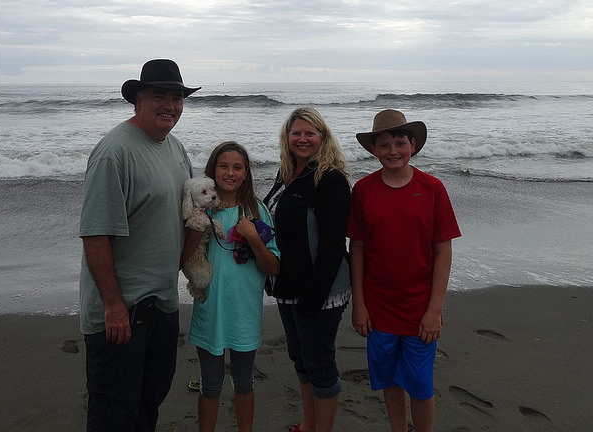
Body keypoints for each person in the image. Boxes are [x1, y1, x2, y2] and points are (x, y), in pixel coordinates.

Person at [78, 58, 200, 432]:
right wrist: (113, 305)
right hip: (123, 314)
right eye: (159, 96)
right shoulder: (114, 152)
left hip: (162, 303)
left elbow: (189, 213)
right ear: (139, 101)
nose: (170, 105)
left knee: (149, 401)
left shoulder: (174, 148)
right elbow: (96, 234)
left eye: (177, 97)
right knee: (115, 410)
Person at [347, 109, 461, 432]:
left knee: (421, 385)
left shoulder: (433, 189)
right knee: (388, 379)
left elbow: (443, 250)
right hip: (378, 308)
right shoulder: (363, 191)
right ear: (373, 150)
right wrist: (360, 304)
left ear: (413, 144)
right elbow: (356, 248)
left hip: (419, 309)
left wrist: (434, 308)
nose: (393, 150)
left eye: (400, 142)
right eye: (384, 145)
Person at [262, 107, 351, 432]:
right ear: (287, 138)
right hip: (287, 284)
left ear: (322, 138)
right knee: (301, 360)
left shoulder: (329, 179)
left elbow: (331, 244)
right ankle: (309, 423)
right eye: (295, 132)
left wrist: (313, 297)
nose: (301, 138)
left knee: (320, 363)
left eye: (309, 133)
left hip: (320, 289)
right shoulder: (285, 174)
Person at [183, 141, 280, 432]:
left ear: (246, 172)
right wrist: (196, 228)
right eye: (223, 166)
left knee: (244, 381)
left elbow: (273, 267)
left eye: (237, 167)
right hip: (209, 309)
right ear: (212, 171)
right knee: (210, 385)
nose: (230, 172)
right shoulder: (200, 211)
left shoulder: (256, 209)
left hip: (244, 312)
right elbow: (183, 260)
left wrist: (251, 236)